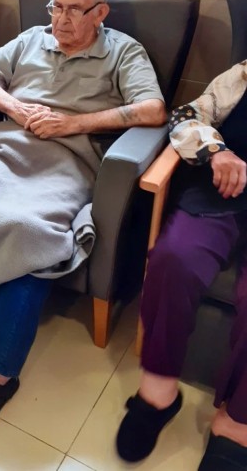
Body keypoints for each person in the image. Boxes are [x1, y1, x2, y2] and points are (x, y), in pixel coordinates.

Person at [0, 0, 166, 439]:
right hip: (7, 149)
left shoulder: (123, 52)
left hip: (67, 164)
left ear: (100, 12)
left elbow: (153, 110)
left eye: (74, 10)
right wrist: (14, 106)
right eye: (56, 6)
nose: (61, 19)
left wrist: (73, 123)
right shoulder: (32, 39)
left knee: (30, 231)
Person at [116, 61, 247, 471]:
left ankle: (238, 420)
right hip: (223, 192)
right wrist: (217, 151)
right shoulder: (243, 75)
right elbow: (187, 116)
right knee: (174, 258)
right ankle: (158, 392)